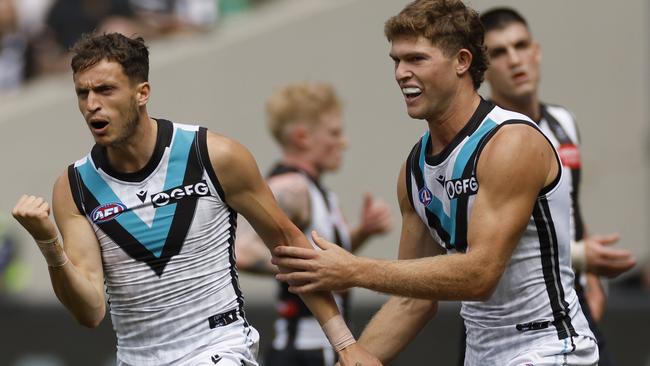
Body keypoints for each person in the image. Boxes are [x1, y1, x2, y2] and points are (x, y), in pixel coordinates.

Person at [10, 33, 380, 366]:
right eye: (82, 93)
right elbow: (89, 311)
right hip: (135, 358)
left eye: (105, 90)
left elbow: (287, 244)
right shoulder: (74, 186)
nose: (92, 104)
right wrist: (49, 244)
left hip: (217, 348)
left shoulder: (213, 155)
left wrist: (346, 345)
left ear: (142, 92)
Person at [272, 0, 599, 364]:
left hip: (549, 349)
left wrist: (355, 270)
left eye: (416, 59)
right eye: (396, 60)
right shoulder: (414, 169)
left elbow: (479, 274)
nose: (400, 73)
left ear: (461, 61)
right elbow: (413, 301)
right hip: (482, 355)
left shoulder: (511, 142)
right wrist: (355, 356)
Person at [476, 7, 638, 366]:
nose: (515, 60)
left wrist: (591, 276)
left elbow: (568, 209)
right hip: (503, 318)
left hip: (569, 301)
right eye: (499, 52)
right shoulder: (482, 141)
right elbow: (486, 248)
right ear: (483, 69)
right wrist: (582, 256)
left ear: (537, 52)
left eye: (521, 46)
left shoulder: (563, 122)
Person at [235, 82, 392, 366]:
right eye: (334, 133)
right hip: (302, 352)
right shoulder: (291, 187)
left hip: (323, 347)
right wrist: (312, 270)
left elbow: (319, 259)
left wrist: (362, 232)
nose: (344, 142)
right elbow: (242, 252)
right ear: (302, 137)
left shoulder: (319, 192)